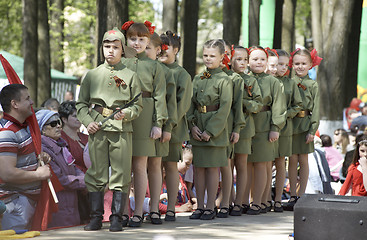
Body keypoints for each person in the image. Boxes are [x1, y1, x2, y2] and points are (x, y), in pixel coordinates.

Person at [76, 28, 142, 232]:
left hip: (121, 129)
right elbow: (81, 105)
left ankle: (116, 218)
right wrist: (88, 122)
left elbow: (137, 106)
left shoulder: (131, 76)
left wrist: (127, 114)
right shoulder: (92, 75)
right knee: (96, 173)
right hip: (97, 128)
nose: (110, 51)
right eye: (107, 47)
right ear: (101, 48)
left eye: (115, 47)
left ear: (123, 49)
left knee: (121, 174)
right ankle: (95, 218)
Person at [121, 20, 167, 227]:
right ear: (126, 40)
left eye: (141, 39)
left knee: (140, 166)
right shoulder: (119, 63)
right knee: (123, 166)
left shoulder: (155, 66)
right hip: (121, 116)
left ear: (148, 40)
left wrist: (158, 123)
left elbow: (160, 96)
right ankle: (121, 211)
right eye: (133, 39)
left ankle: (139, 211)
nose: (137, 43)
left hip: (146, 116)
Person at [187, 39, 232, 220]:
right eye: (205, 55)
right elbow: (190, 104)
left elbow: (225, 108)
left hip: (216, 129)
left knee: (213, 168)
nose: (208, 59)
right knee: (198, 168)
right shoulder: (198, 78)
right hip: (198, 126)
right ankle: (200, 205)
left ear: (222, 57)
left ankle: (210, 206)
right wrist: (192, 126)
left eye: (212, 56)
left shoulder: (225, 80)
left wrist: (211, 131)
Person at [0, 84, 51, 230]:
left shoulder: (21, 128)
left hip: (22, 204)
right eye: (27, 98)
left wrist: (39, 158)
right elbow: (7, 173)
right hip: (14, 206)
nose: (32, 102)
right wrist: (37, 174)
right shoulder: (7, 132)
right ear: (14, 104)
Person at [245, 46, 286, 215]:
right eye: (255, 59)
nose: (259, 62)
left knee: (261, 164)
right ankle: (246, 200)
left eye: (262, 59)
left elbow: (279, 107)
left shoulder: (273, 82)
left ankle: (260, 201)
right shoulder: (244, 79)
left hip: (264, 124)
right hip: (247, 125)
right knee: (247, 165)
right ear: (248, 62)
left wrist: (275, 128)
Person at [160, 31, 193, 221]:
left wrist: (169, 124)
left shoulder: (182, 74)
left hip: (173, 127)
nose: (163, 51)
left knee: (171, 166)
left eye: (167, 47)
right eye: (160, 47)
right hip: (153, 126)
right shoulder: (154, 69)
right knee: (155, 166)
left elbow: (182, 105)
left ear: (176, 49)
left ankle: (171, 207)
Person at [145, 31, 177, 223]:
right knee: (138, 167)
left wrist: (167, 127)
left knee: (156, 165)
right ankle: (139, 207)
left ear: (158, 51)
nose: (143, 50)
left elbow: (171, 102)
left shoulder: (165, 71)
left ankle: (155, 208)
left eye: (149, 47)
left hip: (159, 124)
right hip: (140, 125)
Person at [36, 109, 87, 228]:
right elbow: (59, 179)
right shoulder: (43, 151)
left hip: (72, 205)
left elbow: (73, 167)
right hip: (58, 208)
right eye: (53, 124)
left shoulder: (62, 145)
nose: (58, 126)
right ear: (43, 129)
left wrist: (85, 178)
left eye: (58, 122)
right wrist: (87, 181)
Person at [287, 48, 321, 210]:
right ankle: (292, 194)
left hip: (305, 124)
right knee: (291, 160)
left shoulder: (312, 85)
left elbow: (317, 109)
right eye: (297, 63)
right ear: (292, 65)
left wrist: (312, 131)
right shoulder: (288, 83)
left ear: (310, 65)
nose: (300, 67)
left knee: (303, 160)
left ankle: (302, 195)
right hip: (290, 125)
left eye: (303, 63)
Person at [230, 46, 262, 215]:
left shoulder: (251, 81)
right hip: (225, 127)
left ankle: (240, 202)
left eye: (244, 59)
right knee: (227, 166)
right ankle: (228, 200)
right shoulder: (226, 77)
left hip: (245, 128)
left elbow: (258, 104)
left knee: (241, 165)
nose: (242, 63)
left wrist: (243, 103)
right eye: (237, 59)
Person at [273, 49, 302, 212]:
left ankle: (278, 199)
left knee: (280, 164)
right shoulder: (269, 80)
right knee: (261, 165)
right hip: (265, 128)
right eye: (279, 64)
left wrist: (285, 115)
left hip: (285, 129)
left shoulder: (291, 83)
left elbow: (297, 105)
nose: (283, 68)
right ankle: (257, 199)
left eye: (285, 64)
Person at [59, 101, 89, 173]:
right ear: (64, 119)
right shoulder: (60, 138)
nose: (78, 118)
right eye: (75, 116)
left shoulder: (87, 137)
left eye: (80, 115)